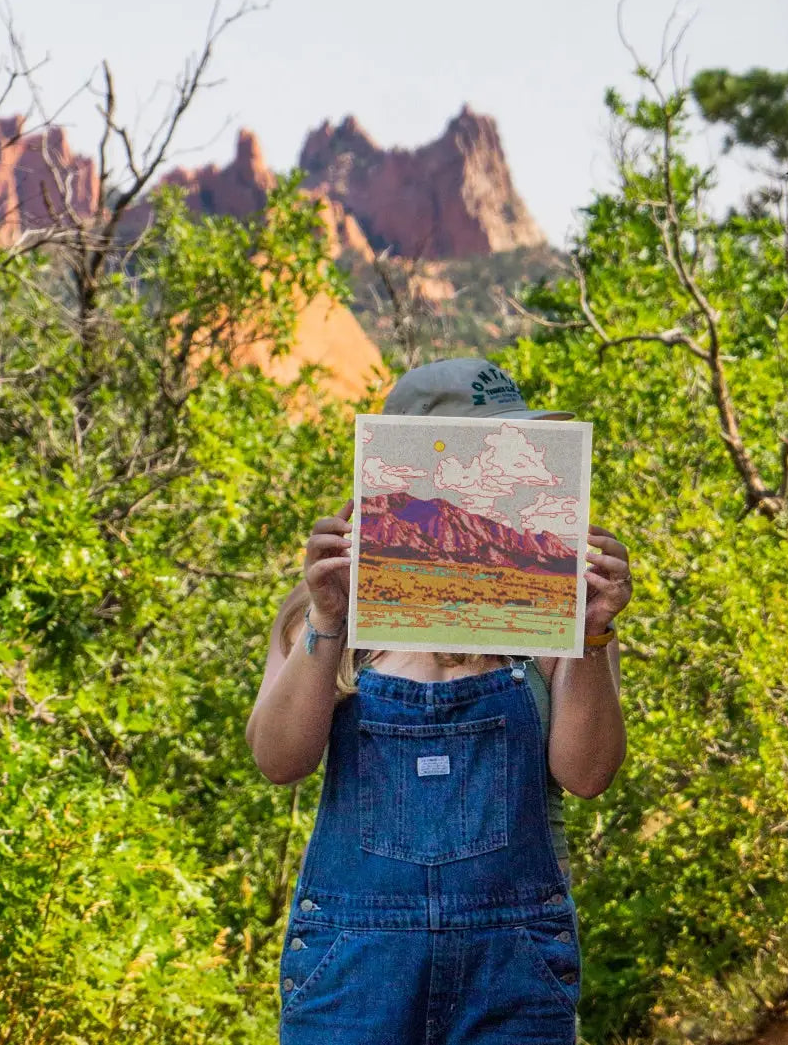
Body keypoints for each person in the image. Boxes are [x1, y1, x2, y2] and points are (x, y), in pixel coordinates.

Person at [245, 358, 631, 1045]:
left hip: (512, 966)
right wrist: (330, 619)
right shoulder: (322, 610)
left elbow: (588, 773)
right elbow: (277, 761)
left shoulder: (554, 607)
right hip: (350, 967)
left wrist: (595, 630)